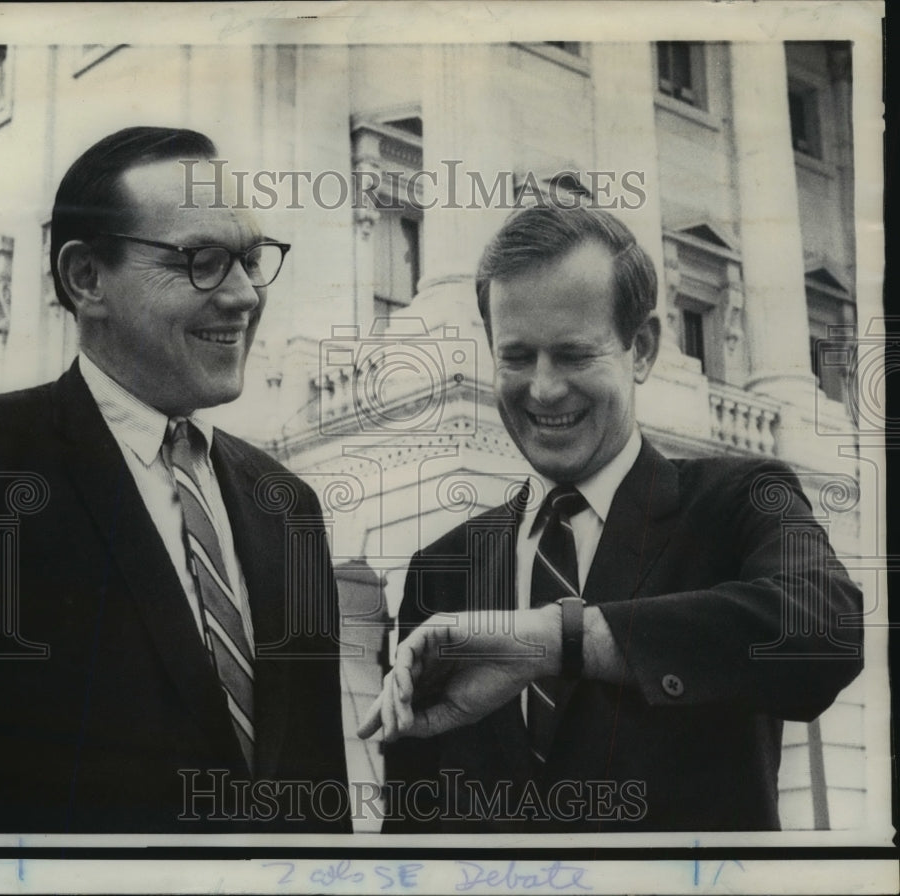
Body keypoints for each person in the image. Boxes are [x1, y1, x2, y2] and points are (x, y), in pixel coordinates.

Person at [359, 206, 863, 832]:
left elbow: (827, 632)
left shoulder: (736, 501)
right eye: (516, 357)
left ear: (643, 348)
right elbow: (415, 830)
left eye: (572, 355)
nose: (542, 389)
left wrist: (559, 640)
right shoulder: (441, 569)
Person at [0, 127, 350, 833]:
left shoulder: (286, 504)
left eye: (249, 259)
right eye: (202, 261)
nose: (242, 296)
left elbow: (316, 786)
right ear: (87, 278)